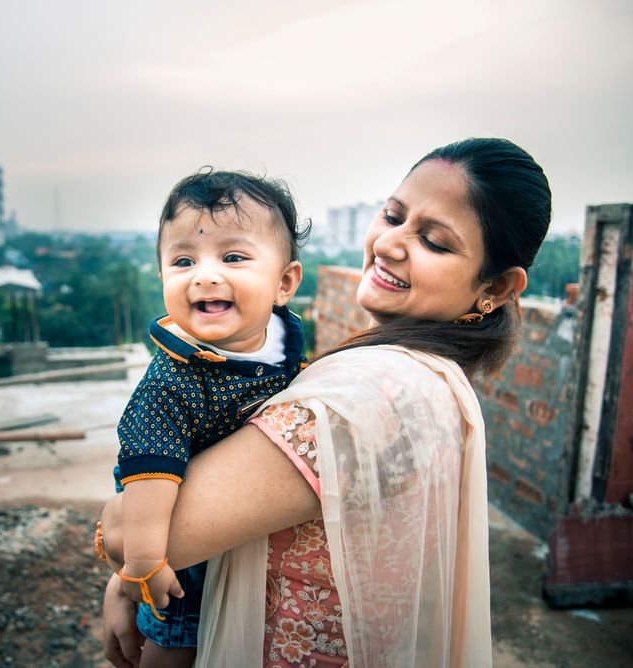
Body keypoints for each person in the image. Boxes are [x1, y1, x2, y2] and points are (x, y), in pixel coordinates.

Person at [101, 137, 552, 667]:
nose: (388, 244)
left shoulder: (374, 390)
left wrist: (130, 574)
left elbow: (128, 532)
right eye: (392, 215)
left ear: (495, 286)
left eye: (433, 241)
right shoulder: (418, 374)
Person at [108, 169, 310, 667]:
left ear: (284, 283)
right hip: (180, 561)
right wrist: (139, 566)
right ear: (162, 280)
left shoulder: (282, 344)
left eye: (233, 257)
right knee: (174, 647)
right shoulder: (172, 381)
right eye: (182, 261)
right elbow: (148, 473)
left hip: (251, 543)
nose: (203, 274)